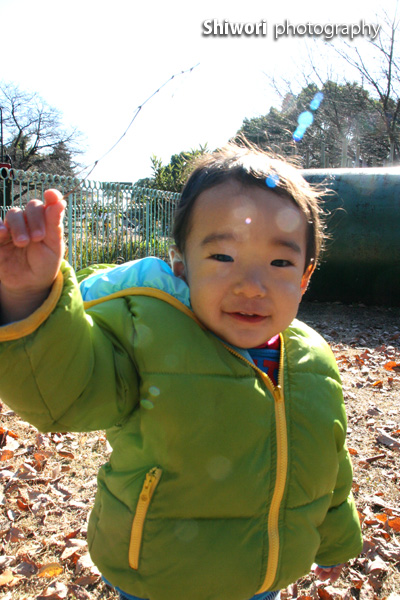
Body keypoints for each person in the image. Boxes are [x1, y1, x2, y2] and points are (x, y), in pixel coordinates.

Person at [0, 144, 362, 600]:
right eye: (223, 257)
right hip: (158, 577)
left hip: (264, 579)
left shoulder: (314, 361)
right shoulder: (147, 336)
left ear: (305, 277)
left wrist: (337, 543)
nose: (252, 285)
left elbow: (328, 465)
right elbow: (67, 396)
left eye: (280, 263)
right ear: (181, 265)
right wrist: (28, 298)